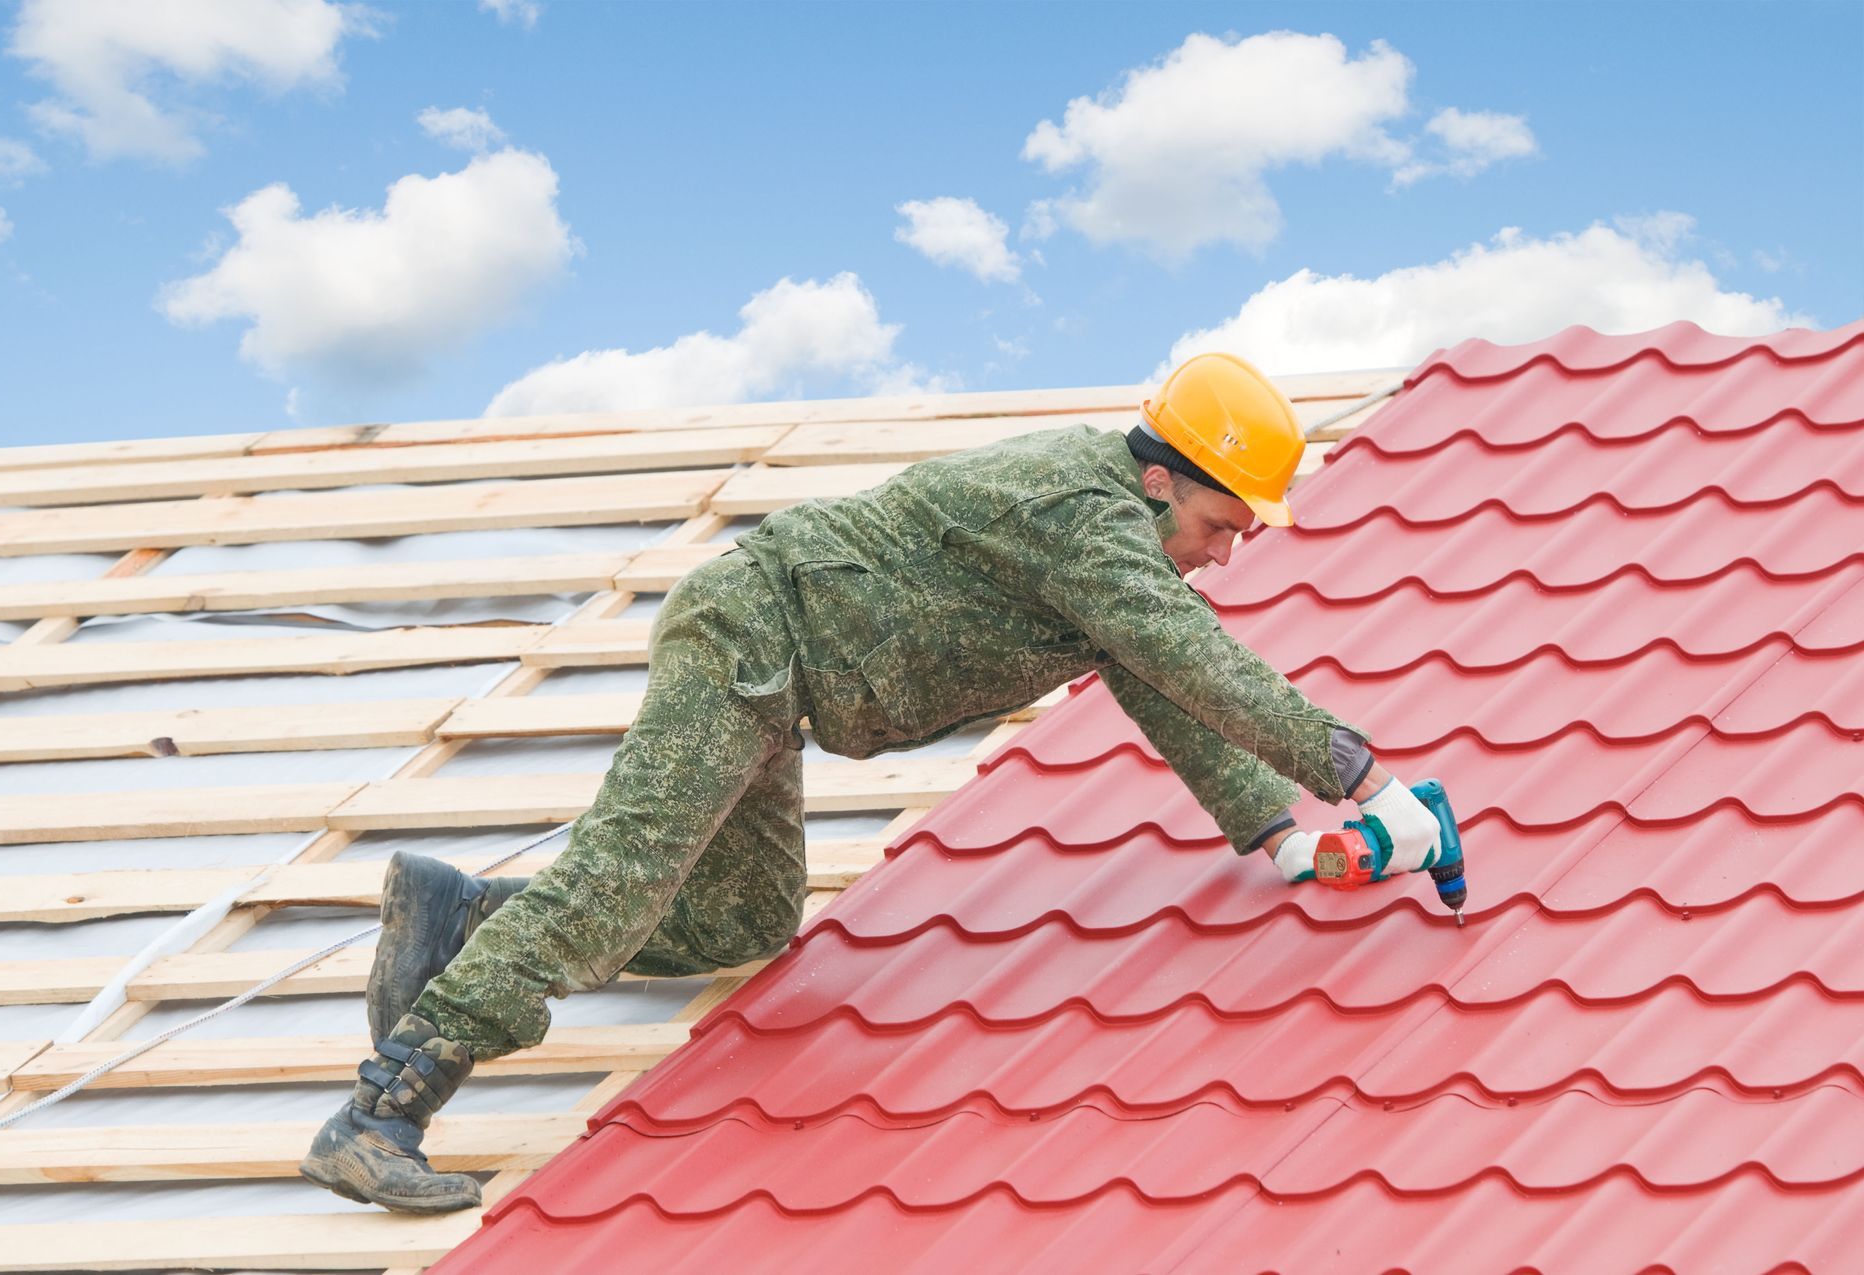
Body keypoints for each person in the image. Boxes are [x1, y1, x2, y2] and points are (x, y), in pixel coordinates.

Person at [299, 352, 1444, 1212]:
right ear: (1160, 481)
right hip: (751, 640)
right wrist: (1369, 780)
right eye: (1218, 523)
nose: (1226, 550)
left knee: (745, 919)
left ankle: (463, 912)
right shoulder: (1085, 517)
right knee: (618, 884)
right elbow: (1202, 663)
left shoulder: (1116, 543)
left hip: (783, 686)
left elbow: (1163, 681)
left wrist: (1278, 833)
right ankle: (379, 1116)